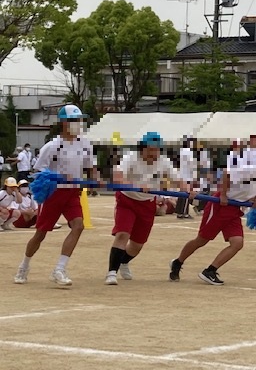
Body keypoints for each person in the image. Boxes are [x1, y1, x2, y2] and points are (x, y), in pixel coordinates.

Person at [169, 145, 256, 285]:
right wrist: (223, 194)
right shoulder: (250, 170)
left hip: (235, 209)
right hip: (219, 207)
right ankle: (178, 262)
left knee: (237, 243)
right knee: (201, 240)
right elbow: (226, 173)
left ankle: (210, 270)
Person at [14, 104, 101, 286]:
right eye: (73, 120)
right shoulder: (53, 146)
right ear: (63, 123)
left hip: (73, 192)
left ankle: (59, 269)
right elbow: (38, 170)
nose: (78, 124)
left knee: (78, 226)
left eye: (79, 120)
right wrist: (59, 177)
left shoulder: (85, 143)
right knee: (41, 233)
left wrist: (96, 179)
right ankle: (24, 265)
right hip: (54, 193)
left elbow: (91, 167)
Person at [105, 131, 194, 285]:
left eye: (157, 149)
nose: (154, 153)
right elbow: (118, 176)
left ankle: (123, 262)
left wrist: (187, 189)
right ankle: (111, 272)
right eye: (151, 149)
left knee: (136, 245)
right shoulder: (131, 157)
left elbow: (178, 179)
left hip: (147, 203)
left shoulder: (163, 161)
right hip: (127, 199)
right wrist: (136, 186)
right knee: (122, 235)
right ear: (142, 148)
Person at [175, 136, 198, 219]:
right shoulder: (188, 152)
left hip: (181, 175)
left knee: (181, 195)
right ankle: (184, 212)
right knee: (187, 195)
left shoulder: (181, 151)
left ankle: (179, 212)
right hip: (187, 176)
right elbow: (192, 165)